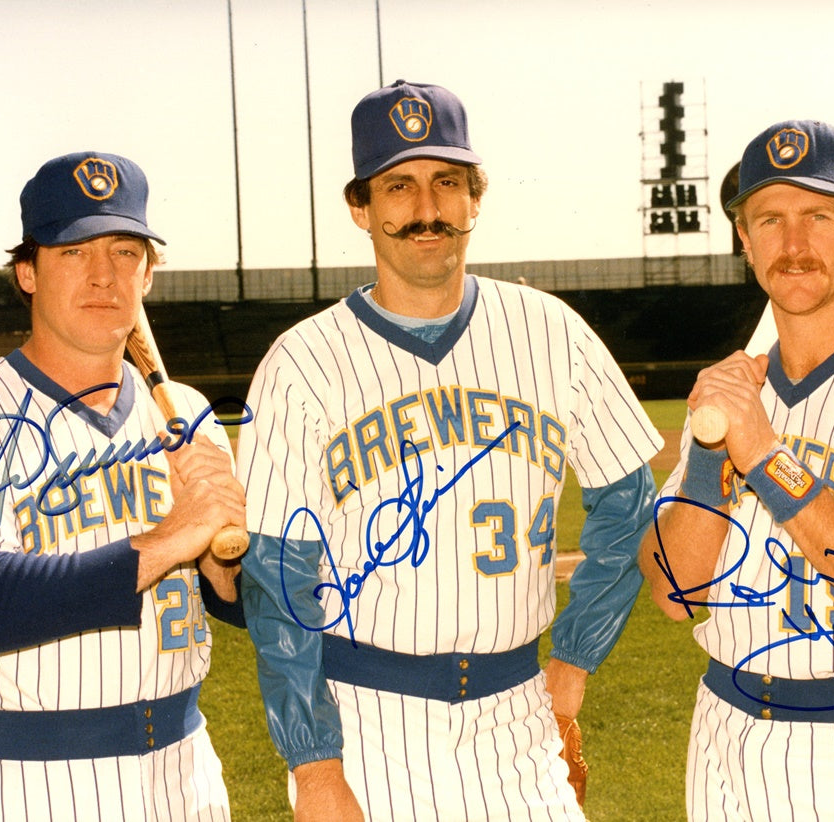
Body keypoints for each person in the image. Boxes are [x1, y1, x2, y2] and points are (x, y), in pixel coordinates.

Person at [237, 79, 663, 821]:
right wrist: (313, 766)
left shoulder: (551, 332)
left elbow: (627, 505)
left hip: (518, 719)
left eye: (446, 183)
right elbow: (278, 581)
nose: (424, 209)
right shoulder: (301, 362)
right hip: (367, 726)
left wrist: (571, 665)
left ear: (475, 199)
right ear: (359, 207)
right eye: (397, 186)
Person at [638, 119, 834, 820]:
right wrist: (707, 466)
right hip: (718, 728)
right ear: (744, 241)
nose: (793, 244)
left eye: (817, 216)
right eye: (769, 220)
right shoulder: (733, 389)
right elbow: (673, 593)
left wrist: (765, 460)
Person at [0, 151, 248, 821]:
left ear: (149, 273)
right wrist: (169, 539)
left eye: (125, 251)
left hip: (187, 769)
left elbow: (241, 603)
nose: (103, 275)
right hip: (33, 781)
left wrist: (226, 560)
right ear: (28, 272)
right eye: (74, 251)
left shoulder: (186, 414)